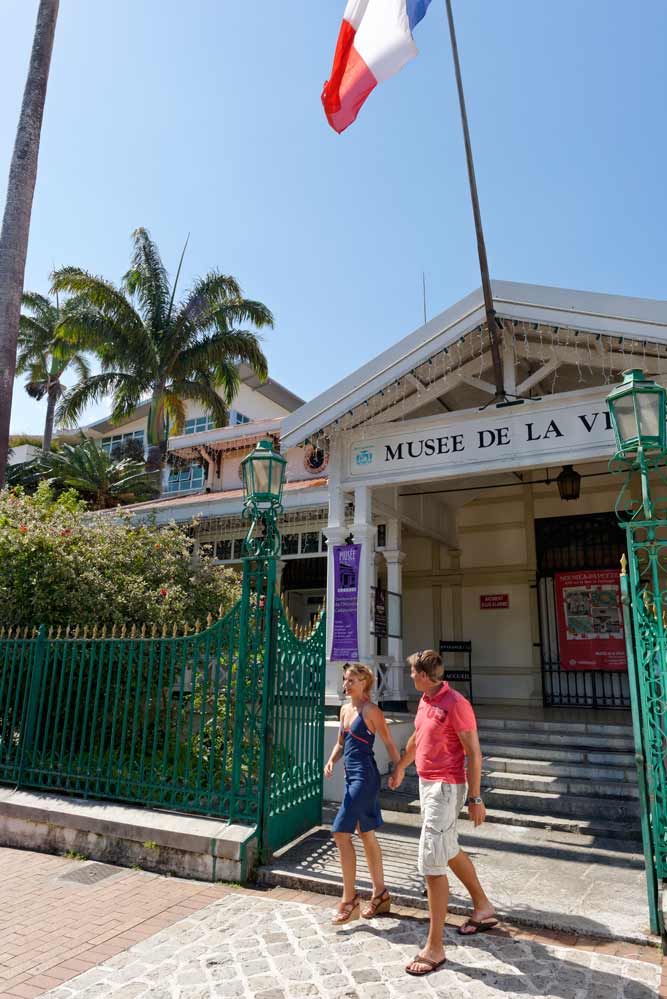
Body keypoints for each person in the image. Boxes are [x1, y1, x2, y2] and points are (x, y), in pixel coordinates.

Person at [389, 649, 496, 977]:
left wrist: (475, 797)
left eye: (412, 673)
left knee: (431, 861)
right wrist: (401, 768)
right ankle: (483, 907)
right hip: (428, 784)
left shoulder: (456, 704)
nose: (410, 678)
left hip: (446, 788)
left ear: (423, 675)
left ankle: (434, 947)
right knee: (447, 850)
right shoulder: (426, 700)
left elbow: (474, 754)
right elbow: (416, 740)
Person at [324, 662, 401, 925]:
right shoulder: (344, 709)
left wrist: (398, 769)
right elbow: (341, 743)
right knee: (365, 833)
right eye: (345, 680)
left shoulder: (372, 711)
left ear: (364, 683)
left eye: (351, 681)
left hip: (365, 778)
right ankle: (380, 894)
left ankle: (349, 900)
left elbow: (389, 742)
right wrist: (332, 760)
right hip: (350, 777)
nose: (346, 685)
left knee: (340, 832)